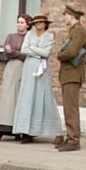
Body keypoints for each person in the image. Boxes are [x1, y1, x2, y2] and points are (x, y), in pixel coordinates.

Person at [12, 13, 62, 144]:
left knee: (45, 98)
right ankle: (26, 132)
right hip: (28, 69)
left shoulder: (49, 36)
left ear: (45, 24)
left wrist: (32, 48)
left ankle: (56, 131)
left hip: (41, 70)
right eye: (36, 23)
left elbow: (46, 53)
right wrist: (38, 52)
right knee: (27, 98)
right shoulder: (30, 34)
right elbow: (24, 50)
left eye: (41, 22)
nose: (38, 25)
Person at [0, 14, 30, 141]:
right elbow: (6, 53)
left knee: (19, 99)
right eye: (18, 22)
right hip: (10, 69)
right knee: (7, 98)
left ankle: (18, 130)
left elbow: (27, 55)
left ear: (27, 25)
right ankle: (1, 129)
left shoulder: (29, 38)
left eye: (22, 22)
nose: (19, 24)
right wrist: (16, 53)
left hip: (24, 69)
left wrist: (13, 52)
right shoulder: (11, 36)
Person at [57, 5, 86, 152]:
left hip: (73, 74)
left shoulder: (79, 31)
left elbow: (71, 52)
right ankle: (70, 137)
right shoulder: (73, 31)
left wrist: (60, 55)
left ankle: (74, 140)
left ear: (71, 16)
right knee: (68, 109)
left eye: (65, 15)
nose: (64, 18)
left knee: (71, 109)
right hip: (68, 74)